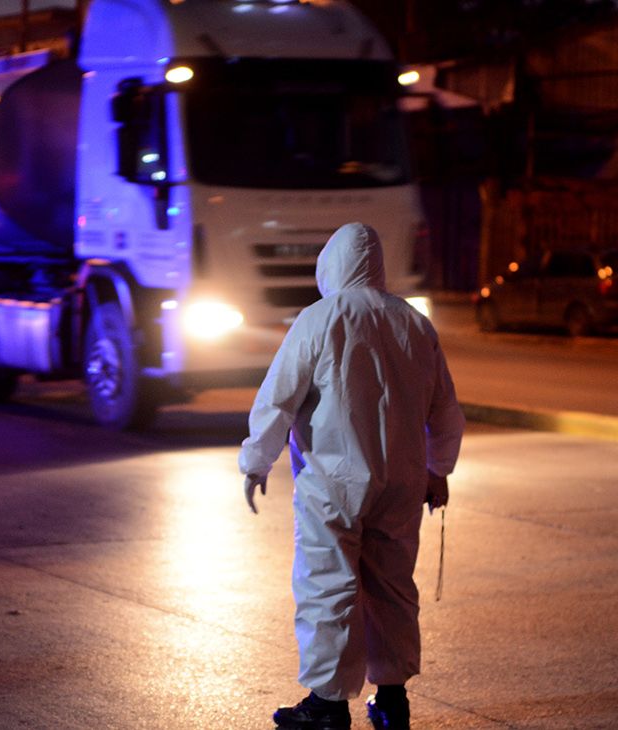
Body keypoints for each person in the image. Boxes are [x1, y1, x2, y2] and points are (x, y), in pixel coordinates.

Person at [239, 222, 465, 730]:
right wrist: (438, 467)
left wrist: (256, 460)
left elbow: (279, 396)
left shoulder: (319, 319)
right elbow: (445, 408)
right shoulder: (414, 323)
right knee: (392, 588)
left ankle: (327, 704)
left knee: (328, 587)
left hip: (334, 483)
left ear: (331, 264)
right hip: (402, 483)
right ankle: (392, 701)